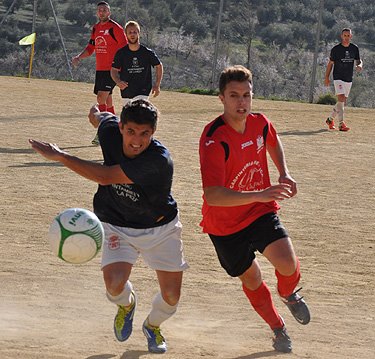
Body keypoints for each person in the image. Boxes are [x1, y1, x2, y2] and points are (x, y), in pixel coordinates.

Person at [29, 99, 188, 354]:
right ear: (122, 127)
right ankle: (126, 305)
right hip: (116, 224)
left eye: (145, 133)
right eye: (131, 131)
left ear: (153, 132)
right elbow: (101, 118)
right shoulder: (110, 130)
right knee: (114, 284)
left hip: (160, 230)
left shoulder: (158, 160)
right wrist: (96, 112)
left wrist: (59, 155)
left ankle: (152, 326)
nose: (137, 140)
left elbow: (104, 177)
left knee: (171, 297)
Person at [199, 65, 310, 353]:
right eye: (234, 95)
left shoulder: (259, 122)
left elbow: (272, 139)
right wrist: (260, 192)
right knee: (252, 278)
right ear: (221, 97)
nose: (242, 103)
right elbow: (213, 196)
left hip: (259, 212)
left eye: (247, 95)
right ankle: (277, 328)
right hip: (224, 226)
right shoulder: (214, 138)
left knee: (287, 263)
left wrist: (284, 172)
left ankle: (288, 293)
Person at [72, 1, 128, 145]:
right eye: (99, 10)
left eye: (104, 10)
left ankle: (102, 131)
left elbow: (125, 48)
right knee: (107, 100)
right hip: (100, 69)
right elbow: (90, 48)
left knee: (101, 98)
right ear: (97, 13)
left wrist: (122, 66)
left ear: (109, 12)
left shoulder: (115, 28)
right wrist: (79, 57)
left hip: (113, 70)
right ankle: (113, 130)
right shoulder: (95, 28)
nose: (102, 12)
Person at [111, 21, 163, 106]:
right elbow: (113, 70)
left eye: (135, 32)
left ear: (139, 33)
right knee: (129, 117)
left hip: (143, 90)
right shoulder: (121, 53)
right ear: (126, 34)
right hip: (126, 90)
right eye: (130, 32)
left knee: (140, 114)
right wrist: (118, 81)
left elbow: (159, 66)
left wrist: (157, 84)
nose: (132, 34)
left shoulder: (147, 52)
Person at [324, 28, 363, 132]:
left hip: (348, 78)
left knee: (342, 102)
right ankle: (341, 124)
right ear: (341, 36)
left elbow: (359, 61)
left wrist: (359, 65)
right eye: (344, 35)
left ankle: (330, 119)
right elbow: (330, 64)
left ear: (351, 36)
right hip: (338, 77)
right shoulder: (336, 49)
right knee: (341, 98)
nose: (346, 37)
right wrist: (327, 77)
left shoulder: (354, 48)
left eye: (348, 35)